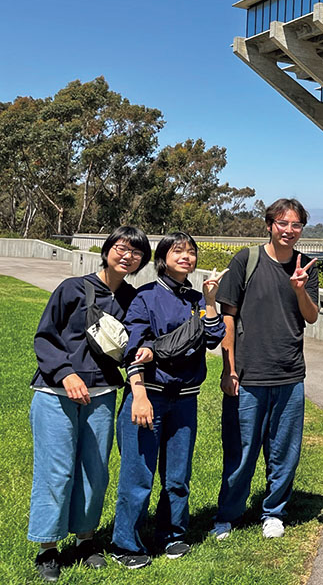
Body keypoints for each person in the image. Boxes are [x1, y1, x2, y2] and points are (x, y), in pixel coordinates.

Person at [28, 226, 151, 582]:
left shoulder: (132, 299)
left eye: (136, 252)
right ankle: (47, 548)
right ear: (108, 249)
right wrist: (65, 373)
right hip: (56, 394)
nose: (127, 255)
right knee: (57, 470)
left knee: (94, 471)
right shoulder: (72, 289)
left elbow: (135, 343)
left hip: (101, 395)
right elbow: (45, 337)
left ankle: (85, 539)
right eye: (121, 248)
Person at [110, 232, 226, 567]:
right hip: (151, 396)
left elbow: (214, 337)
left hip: (186, 399)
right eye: (178, 251)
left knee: (177, 476)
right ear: (163, 256)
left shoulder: (196, 298)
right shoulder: (146, 297)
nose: (186, 257)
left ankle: (171, 535)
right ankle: (125, 544)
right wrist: (139, 395)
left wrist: (211, 301)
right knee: (138, 473)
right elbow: (133, 349)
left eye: (191, 252)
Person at [212, 198, 319, 540]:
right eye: (283, 223)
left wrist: (300, 289)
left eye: (296, 225)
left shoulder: (305, 267)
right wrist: (229, 368)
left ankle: (274, 511)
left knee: (284, 450)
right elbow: (228, 316)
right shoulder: (247, 260)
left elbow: (312, 316)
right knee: (240, 450)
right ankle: (228, 514)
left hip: (289, 373)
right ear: (270, 224)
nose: (289, 230)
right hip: (248, 373)